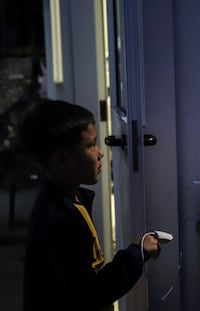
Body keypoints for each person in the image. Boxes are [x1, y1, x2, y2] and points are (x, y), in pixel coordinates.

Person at [18, 99, 161, 311]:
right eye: (91, 145)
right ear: (61, 159)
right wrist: (137, 253)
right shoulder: (59, 220)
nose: (100, 152)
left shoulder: (73, 199)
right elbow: (92, 293)